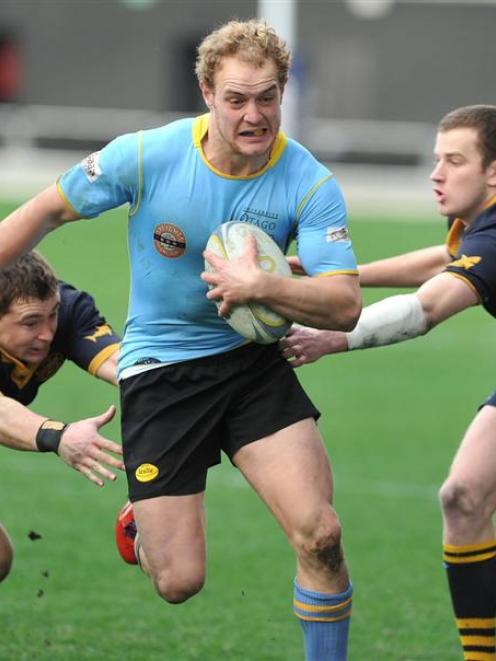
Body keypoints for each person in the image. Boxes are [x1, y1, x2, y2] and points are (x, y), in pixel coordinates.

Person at [0, 20, 361, 660]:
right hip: (162, 371)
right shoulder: (146, 155)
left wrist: (262, 287)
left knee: (321, 534)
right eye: (237, 99)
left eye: (269, 97)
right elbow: (45, 211)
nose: (256, 115)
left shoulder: (308, 182)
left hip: (251, 369)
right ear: (205, 92)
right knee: (178, 583)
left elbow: (344, 304)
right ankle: (142, 525)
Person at [281, 104, 496, 660]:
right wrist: (339, 275)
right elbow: (445, 260)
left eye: (455, 161)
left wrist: (336, 336)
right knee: (463, 496)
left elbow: (428, 308)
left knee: (465, 496)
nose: (437, 174)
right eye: (435, 160)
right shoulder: (482, 227)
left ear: (493, 173)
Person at [0, 250, 123, 582]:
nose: (47, 333)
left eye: (52, 315)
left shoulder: (66, 311)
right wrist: (58, 434)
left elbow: (126, 368)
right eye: (30, 323)